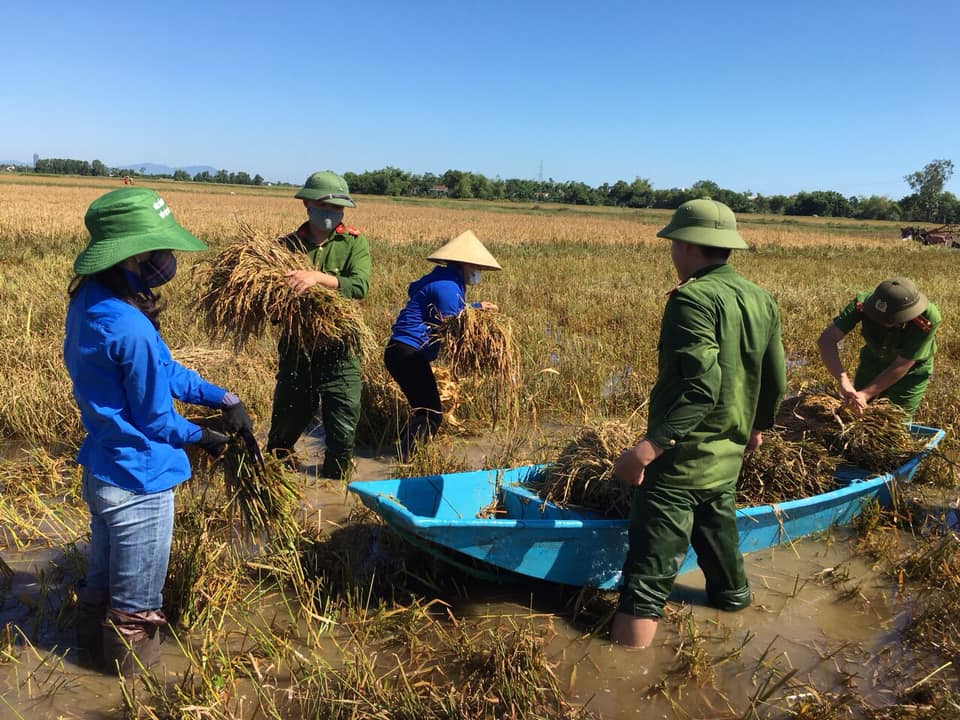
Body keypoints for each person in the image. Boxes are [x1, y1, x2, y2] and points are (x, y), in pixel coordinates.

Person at [63, 187, 256, 676]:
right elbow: (156, 420)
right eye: (159, 249)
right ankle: (126, 692)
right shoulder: (128, 325)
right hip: (140, 486)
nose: (167, 260)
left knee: (100, 588)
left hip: (105, 472)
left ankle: (83, 669)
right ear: (134, 254)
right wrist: (207, 439)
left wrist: (223, 397)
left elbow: (163, 369)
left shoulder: (92, 300)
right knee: (135, 611)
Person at [610, 199, 787, 649]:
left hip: (679, 462)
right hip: (726, 456)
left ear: (688, 245)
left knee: (647, 580)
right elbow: (774, 377)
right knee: (721, 553)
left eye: (673, 243)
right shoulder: (760, 297)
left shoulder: (692, 299)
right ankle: (736, 615)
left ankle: (626, 672)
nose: (672, 253)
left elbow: (701, 388)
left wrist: (645, 451)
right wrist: (757, 427)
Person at [265, 171, 371, 479]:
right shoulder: (284, 246)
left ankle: (335, 491)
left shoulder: (353, 242)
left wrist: (318, 278)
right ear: (308, 205)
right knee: (285, 426)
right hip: (298, 350)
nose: (332, 214)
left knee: (342, 429)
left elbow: (360, 286)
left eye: (338, 208)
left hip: (341, 350)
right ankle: (276, 483)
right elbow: (271, 298)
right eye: (325, 206)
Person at [384, 230, 501, 459]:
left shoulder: (444, 280)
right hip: (409, 353)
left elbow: (450, 312)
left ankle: (404, 455)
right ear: (463, 264)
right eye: (475, 267)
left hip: (402, 352)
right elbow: (453, 324)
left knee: (424, 410)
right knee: (431, 414)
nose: (478, 273)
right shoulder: (447, 285)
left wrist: (476, 307)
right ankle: (406, 460)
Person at [817, 277, 939, 417]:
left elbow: (903, 363)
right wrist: (843, 380)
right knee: (856, 413)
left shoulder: (927, 318)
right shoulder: (862, 304)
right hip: (873, 360)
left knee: (895, 418)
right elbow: (826, 340)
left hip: (911, 371)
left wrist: (865, 394)